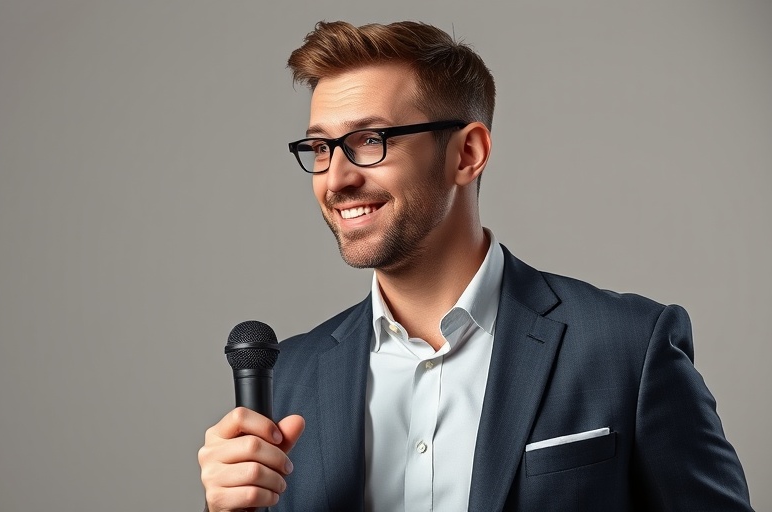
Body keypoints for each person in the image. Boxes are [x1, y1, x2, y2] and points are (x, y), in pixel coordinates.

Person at [197, 20, 752, 511]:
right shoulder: (290, 376)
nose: (337, 178)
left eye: (370, 140)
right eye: (321, 148)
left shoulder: (627, 349)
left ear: (467, 153)